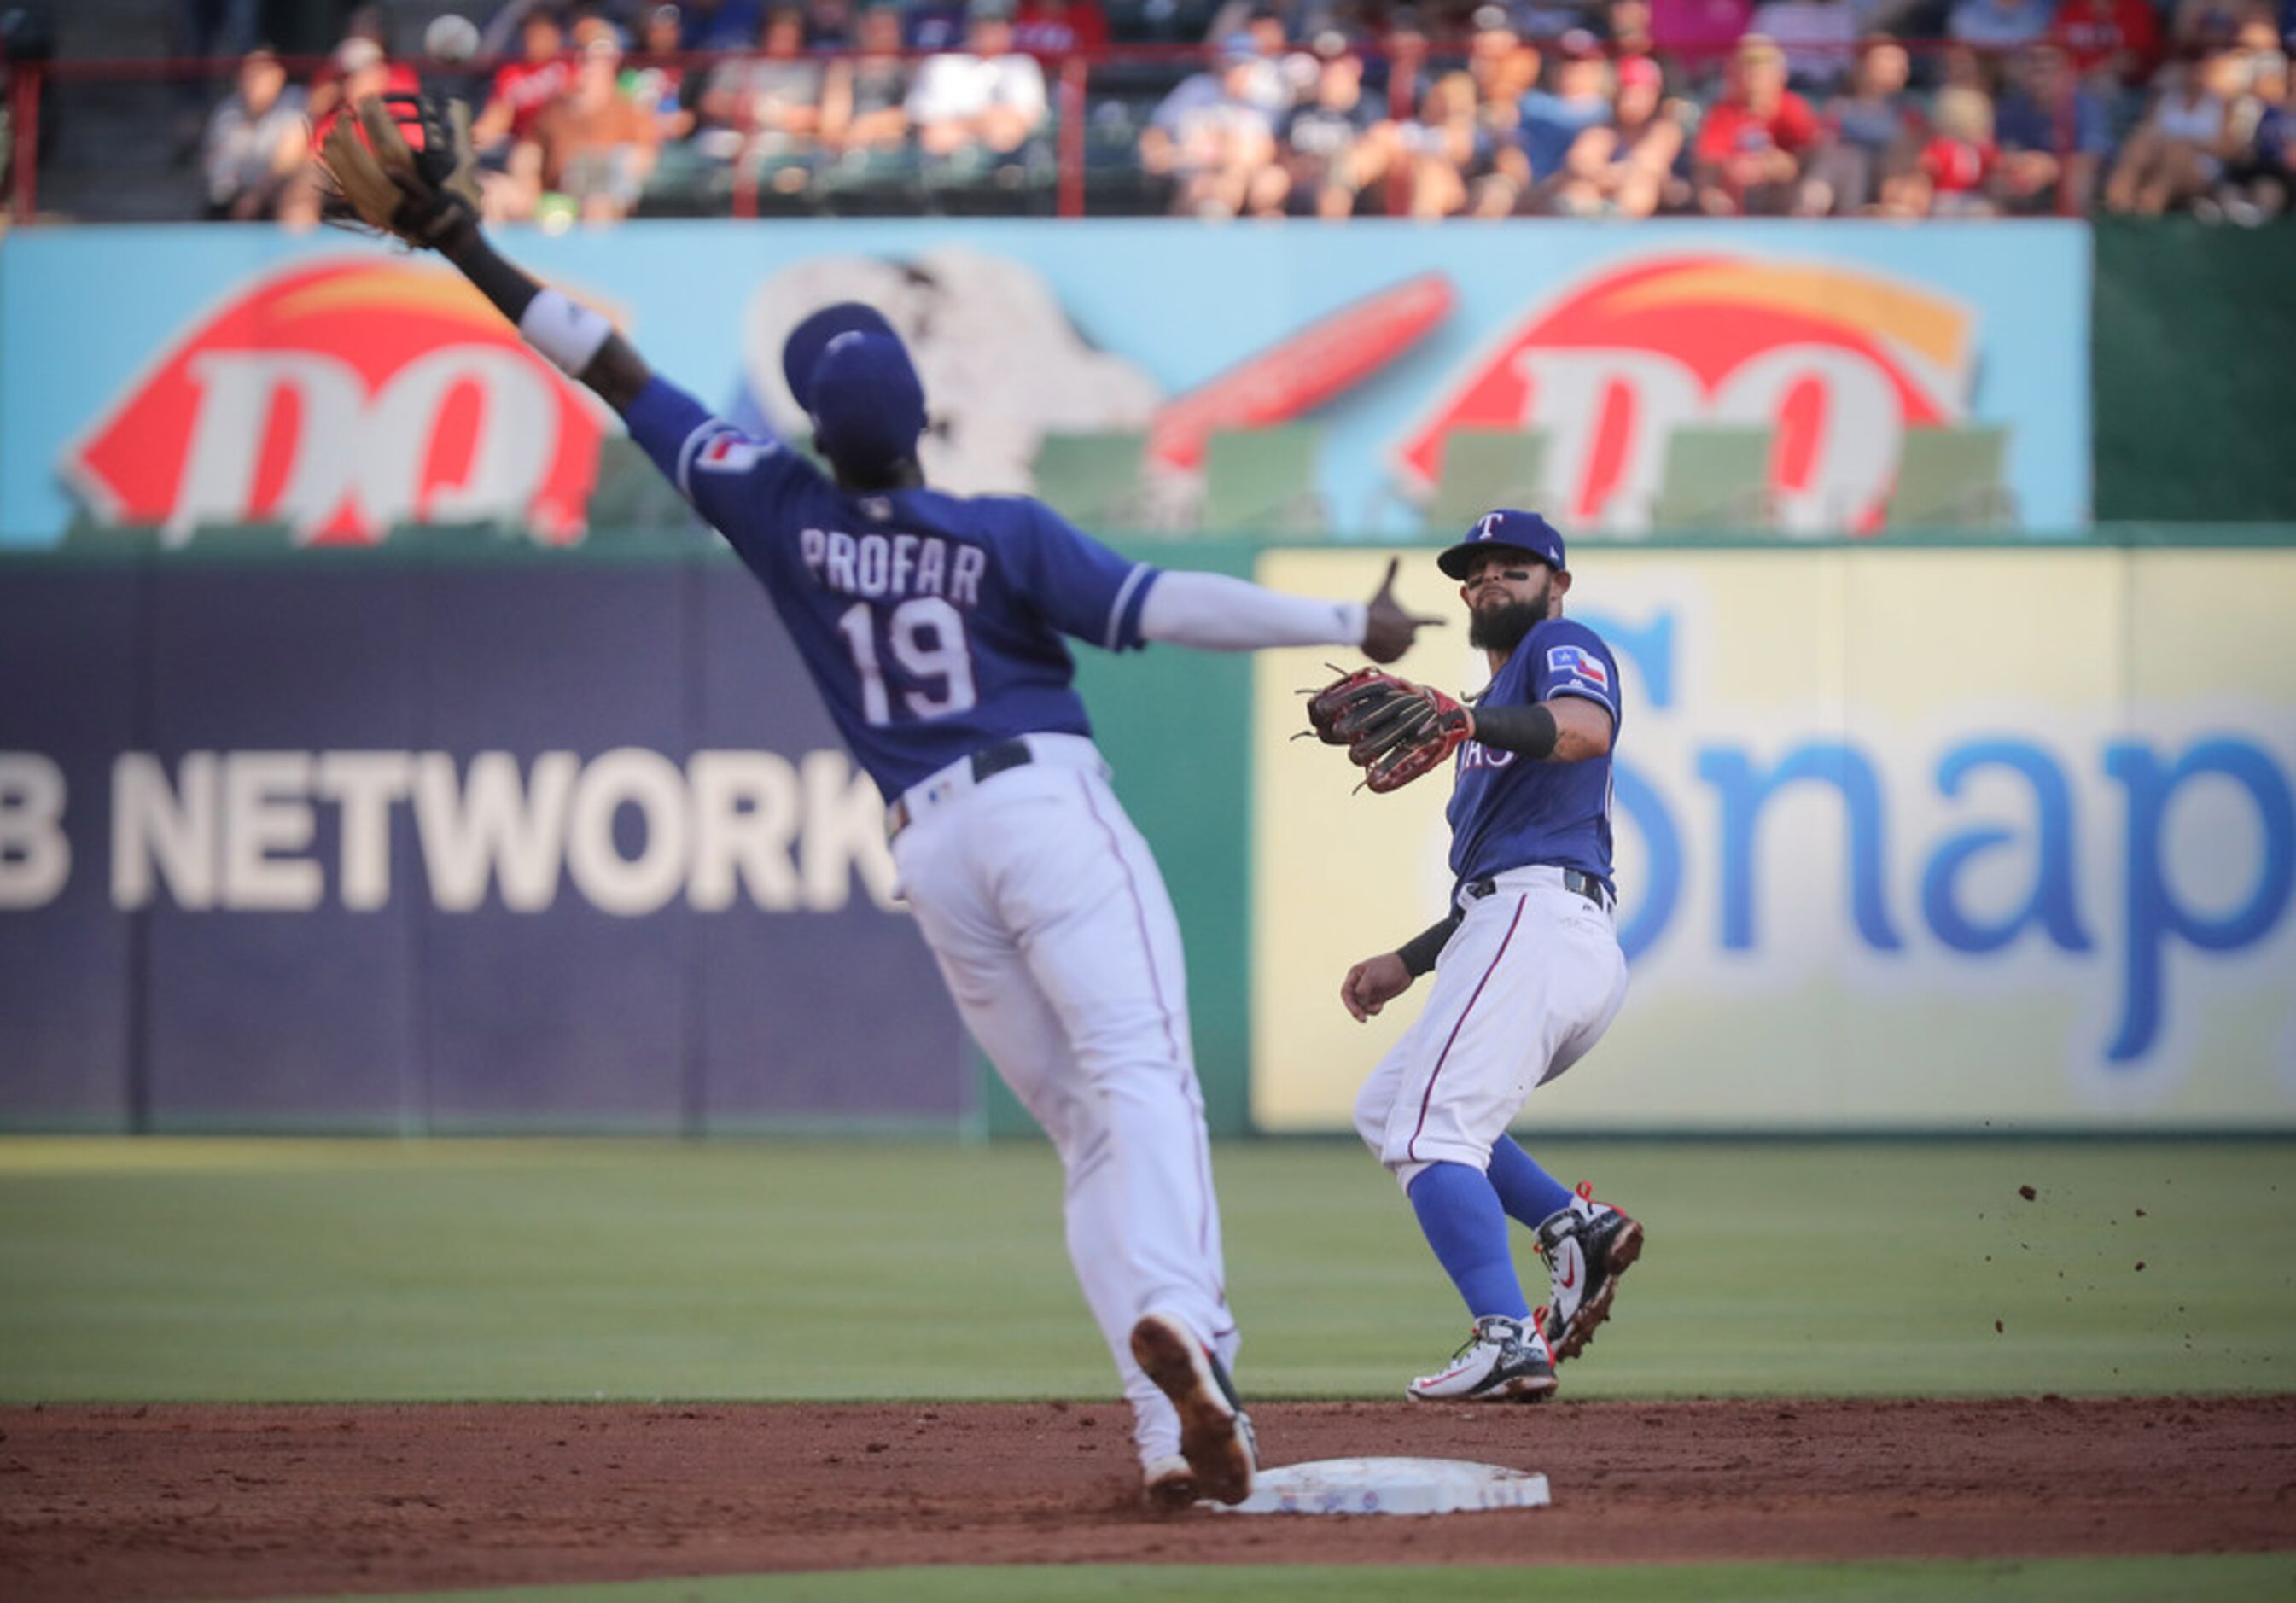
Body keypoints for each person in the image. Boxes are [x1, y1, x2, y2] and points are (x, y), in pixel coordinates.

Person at [316, 99, 1442, 1507]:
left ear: (816, 426)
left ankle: (1169, 1438)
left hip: (933, 855)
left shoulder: (776, 507)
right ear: (925, 417)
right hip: (1041, 807)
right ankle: (1195, 1346)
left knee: (1087, 1133)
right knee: (1148, 1083)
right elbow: (1168, 605)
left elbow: (610, 366)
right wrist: (1348, 611)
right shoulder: (1002, 529)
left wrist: (464, 241)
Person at [1335, 510, 1640, 1403]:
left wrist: (1470, 717)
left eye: (1515, 566)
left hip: (1540, 926)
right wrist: (1408, 958)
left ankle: (1506, 1336)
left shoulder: (1560, 647)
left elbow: (1584, 729)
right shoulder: (1491, 719)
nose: (1491, 581)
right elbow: (1490, 886)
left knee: (1432, 1132)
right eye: (1477, 573)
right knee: (1388, 1105)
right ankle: (1569, 1225)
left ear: (1557, 584)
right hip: (1516, 929)